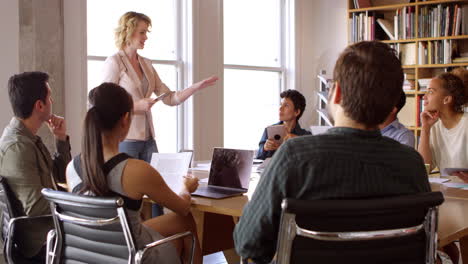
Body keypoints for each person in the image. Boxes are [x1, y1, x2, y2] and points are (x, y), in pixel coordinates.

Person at [234, 41, 430, 263]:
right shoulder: (412, 164)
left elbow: (248, 243)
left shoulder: (294, 156)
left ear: (336, 94)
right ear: (391, 105)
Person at [66, 83, 202, 264]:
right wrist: (185, 187)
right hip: (129, 256)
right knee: (185, 220)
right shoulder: (135, 170)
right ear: (125, 119)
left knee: (167, 230)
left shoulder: (71, 167)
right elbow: (182, 207)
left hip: (88, 255)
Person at [102, 11, 217, 216]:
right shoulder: (114, 63)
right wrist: (136, 106)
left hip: (148, 140)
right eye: (142, 32)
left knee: (159, 192)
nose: (146, 37)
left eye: (147, 32)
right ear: (128, 32)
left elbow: (170, 98)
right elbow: (103, 103)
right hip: (127, 140)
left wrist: (196, 87)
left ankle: (158, 235)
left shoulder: (146, 64)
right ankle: (136, 235)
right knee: (129, 195)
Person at [0, 71, 71, 261]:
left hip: (50, 232)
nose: (52, 101)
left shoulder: (26, 139)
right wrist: (77, 206)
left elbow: (59, 176)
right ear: (39, 105)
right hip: (42, 243)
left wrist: (60, 139)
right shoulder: (19, 147)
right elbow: (36, 207)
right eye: (50, 97)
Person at [418, 67, 468, 176]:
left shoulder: (466, 124)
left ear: (447, 99)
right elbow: (423, 169)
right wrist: (425, 129)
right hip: (448, 190)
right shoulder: (434, 126)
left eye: (431, 92)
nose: (425, 97)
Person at [256, 89, 311, 160]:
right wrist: (264, 148)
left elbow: (310, 160)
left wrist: (298, 142)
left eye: (286, 106)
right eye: (281, 104)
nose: (280, 108)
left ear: (297, 112)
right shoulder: (268, 130)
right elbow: (258, 157)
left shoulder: (306, 136)